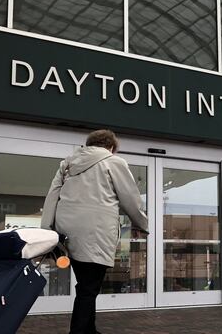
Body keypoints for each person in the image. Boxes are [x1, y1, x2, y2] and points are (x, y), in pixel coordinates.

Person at [41, 129, 148, 334]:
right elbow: (130, 198)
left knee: (86, 285)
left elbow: (52, 196)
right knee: (89, 288)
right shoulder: (114, 162)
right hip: (96, 231)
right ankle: (79, 331)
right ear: (111, 147)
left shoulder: (67, 163)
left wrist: (47, 230)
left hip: (67, 232)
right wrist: (141, 224)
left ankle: (89, 329)